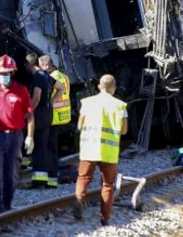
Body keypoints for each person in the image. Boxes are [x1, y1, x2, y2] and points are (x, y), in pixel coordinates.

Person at [0, 55, 35, 214]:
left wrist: (30, 136)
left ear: (12, 73)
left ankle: (7, 204)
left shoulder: (21, 91)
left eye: (6, 73)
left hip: (15, 136)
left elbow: (30, 116)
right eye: (1, 73)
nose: (3, 76)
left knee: (11, 175)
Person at [73, 74, 127, 226]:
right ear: (114, 88)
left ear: (99, 86)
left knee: (83, 178)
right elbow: (124, 131)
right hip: (108, 152)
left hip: (89, 149)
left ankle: (78, 200)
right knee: (108, 185)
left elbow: (79, 126)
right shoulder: (120, 106)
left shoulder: (87, 103)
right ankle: (105, 218)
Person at [25, 53, 64, 188]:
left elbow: (36, 98)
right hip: (48, 114)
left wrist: (27, 112)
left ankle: (39, 181)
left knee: (38, 147)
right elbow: (61, 88)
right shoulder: (47, 76)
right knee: (45, 146)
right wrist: (51, 101)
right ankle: (49, 179)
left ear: (29, 65)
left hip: (39, 115)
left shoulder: (37, 77)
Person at [39, 54, 70, 188]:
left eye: (41, 67)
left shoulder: (52, 77)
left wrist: (49, 102)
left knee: (50, 147)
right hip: (63, 115)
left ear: (47, 65)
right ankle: (53, 174)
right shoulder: (64, 76)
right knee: (53, 146)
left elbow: (53, 95)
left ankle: (52, 175)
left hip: (53, 116)